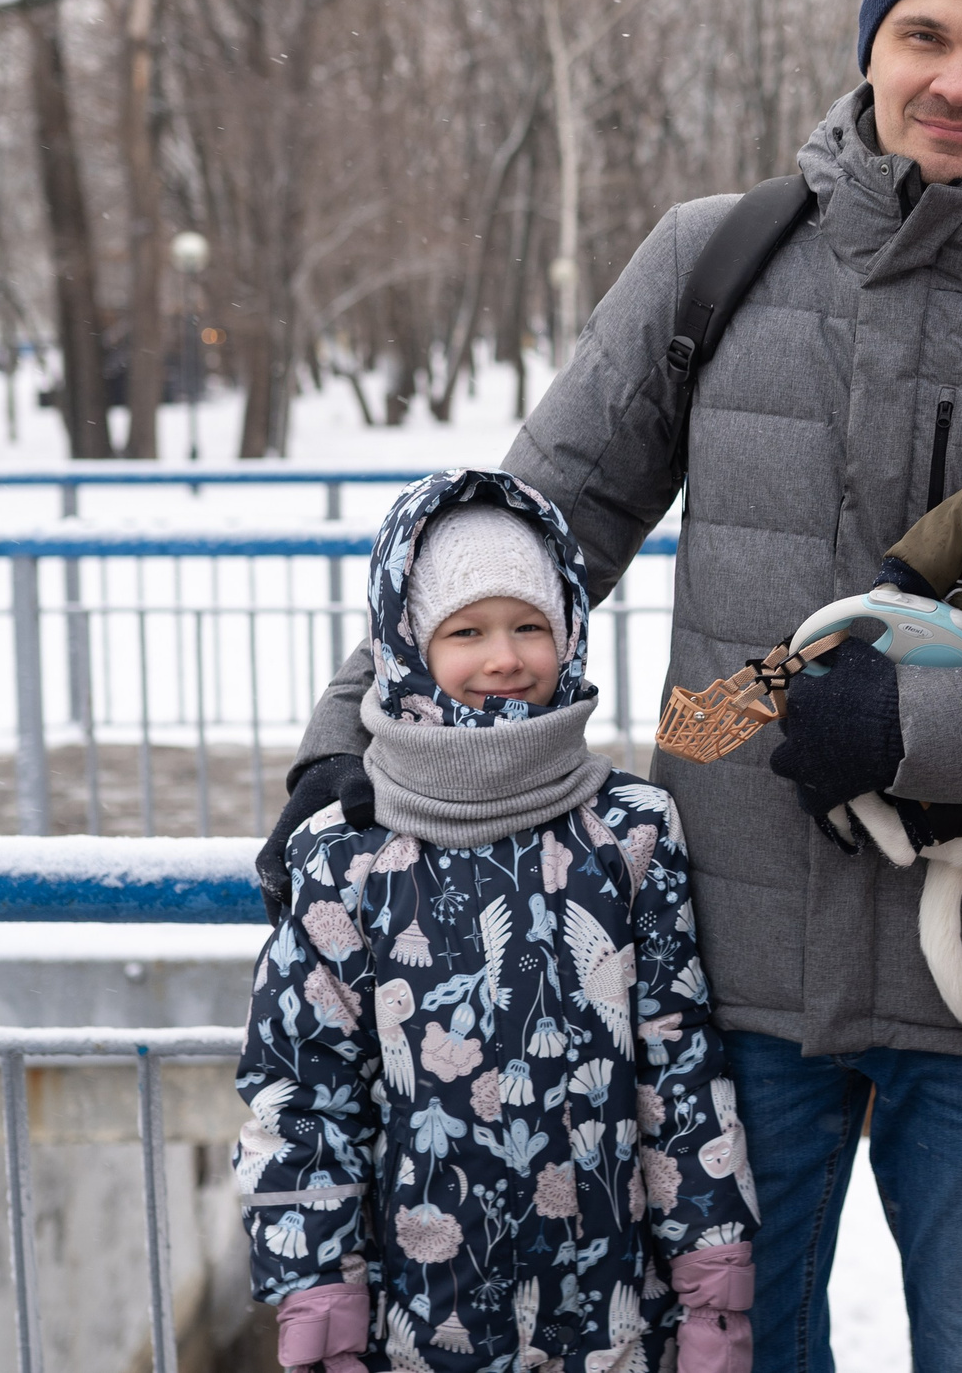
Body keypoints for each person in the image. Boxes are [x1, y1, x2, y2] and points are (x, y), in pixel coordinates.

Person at [263, 0, 962, 1373]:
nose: (959, 78)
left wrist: (912, 733)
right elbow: (537, 521)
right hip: (723, 958)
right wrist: (348, 744)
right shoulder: (718, 261)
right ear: (873, 48)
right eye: (926, 36)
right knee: (737, 1346)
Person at [237, 470, 758, 1372]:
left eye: (529, 626)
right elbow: (302, 1092)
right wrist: (319, 1293)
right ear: (407, 645)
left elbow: (678, 1066)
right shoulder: (348, 855)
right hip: (420, 1322)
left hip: (610, 1319)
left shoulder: (628, 831)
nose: (504, 659)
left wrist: (711, 1276)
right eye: (465, 632)